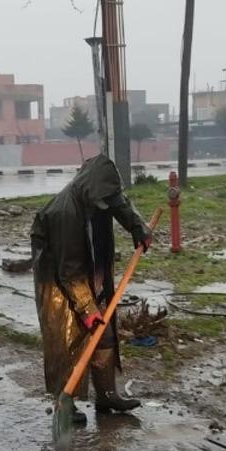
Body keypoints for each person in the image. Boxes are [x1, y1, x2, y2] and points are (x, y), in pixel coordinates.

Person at [31, 154, 152, 425]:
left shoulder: (100, 193)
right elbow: (69, 271)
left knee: (104, 330)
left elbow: (119, 203)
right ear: (91, 190)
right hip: (57, 276)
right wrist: (86, 308)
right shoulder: (65, 213)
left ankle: (107, 394)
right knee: (66, 338)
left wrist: (138, 227)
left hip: (92, 264)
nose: (108, 202)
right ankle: (65, 402)